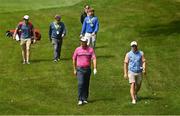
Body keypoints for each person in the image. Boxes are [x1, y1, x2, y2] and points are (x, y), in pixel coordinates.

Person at [72, 37, 97, 105]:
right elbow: (74, 59)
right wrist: (74, 69)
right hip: (80, 69)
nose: (82, 43)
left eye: (84, 42)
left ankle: (85, 98)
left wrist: (95, 68)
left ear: (86, 42)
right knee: (80, 83)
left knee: (86, 84)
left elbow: (94, 58)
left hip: (87, 69)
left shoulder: (90, 50)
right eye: (82, 42)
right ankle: (80, 99)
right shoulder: (77, 49)